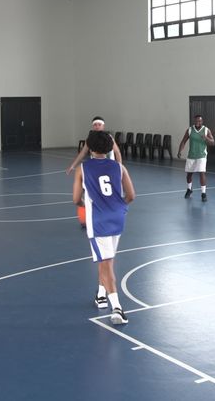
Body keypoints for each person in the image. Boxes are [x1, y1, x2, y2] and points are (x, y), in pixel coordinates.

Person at [73, 131, 136, 325]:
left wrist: (89, 205)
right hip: (117, 219)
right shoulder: (119, 167)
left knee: (106, 264)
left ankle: (117, 308)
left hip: (98, 222)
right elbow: (131, 195)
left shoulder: (83, 169)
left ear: (90, 148)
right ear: (110, 147)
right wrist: (118, 207)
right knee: (107, 260)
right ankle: (101, 294)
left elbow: (76, 199)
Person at [176, 114, 215, 201]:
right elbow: (183, 141)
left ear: (202, 121)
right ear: (194, 121)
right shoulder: (190, 130)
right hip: (191, 155)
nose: (198, 122)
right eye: (197, 121)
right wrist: (180, 151)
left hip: (202, 156)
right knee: (189, 175)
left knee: (202, 172)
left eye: (200, 121)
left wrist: (206, 138)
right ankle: (189, 189)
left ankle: (203, 194)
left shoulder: (206, 130)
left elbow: (213, 142)